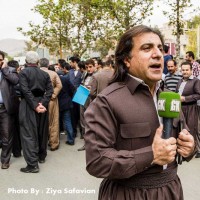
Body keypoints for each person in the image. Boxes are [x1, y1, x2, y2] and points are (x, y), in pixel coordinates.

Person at [84, 25, 196, 200]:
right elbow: (97, 162)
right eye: (147, 48)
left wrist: (190, 147)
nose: (158, 54)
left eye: (160, 48)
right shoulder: (107, 100)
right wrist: (151, 155)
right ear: (126, 60)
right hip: (128, 193)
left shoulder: (168, 97)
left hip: (171, 190)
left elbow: (186, 137)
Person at [19, 51, 53, 173]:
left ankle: (32, 164)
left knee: (28, 134)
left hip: (29, 104)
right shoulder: (44, 74)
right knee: (42, 131)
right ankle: (41, 156)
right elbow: (50, 90)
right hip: (41, 104)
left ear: (26, 62)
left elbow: (25, 90)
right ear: (37, 62)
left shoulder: (23, 73)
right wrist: (42, 104)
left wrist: (35, 105)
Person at [0, 51, 19, 169]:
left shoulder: (10, 71)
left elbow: (16, 81)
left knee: (7, 136)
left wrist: (5, 69)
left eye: (0, 59)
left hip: (5, 109)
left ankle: (5, 160)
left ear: (4, 60)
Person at [39, 58, 62, 151]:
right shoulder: (53, 73)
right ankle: (54, 144)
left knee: (40, 123)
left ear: (39, 64)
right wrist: (53, 95)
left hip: (39, 101)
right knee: (53, 121)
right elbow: (59, 85)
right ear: (48, 65)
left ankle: (41, 144)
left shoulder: (36, 73)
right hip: (51, 100)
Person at [176, 61, 200, 143]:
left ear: (191, 70)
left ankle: (194, 149)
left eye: (187, 70)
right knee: (181, 129)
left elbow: (199, 95)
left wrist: (185, 98)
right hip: (180, 108)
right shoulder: (179, 81)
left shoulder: (195, 81)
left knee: (191, 129)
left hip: (191, 108)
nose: (185, 72)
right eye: (183, 70)